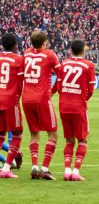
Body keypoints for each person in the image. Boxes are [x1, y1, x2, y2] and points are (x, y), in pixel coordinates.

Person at [22, 31, 60, 180]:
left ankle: (34, 166)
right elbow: (61, 73)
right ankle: (44, 168)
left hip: (26, 99)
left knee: (34, 133)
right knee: (53, 134)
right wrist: (53, 91)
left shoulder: (26, 53)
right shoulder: (50, 54)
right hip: (42, 98)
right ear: (45, 43)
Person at [57, 39, 96, 181]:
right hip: (78, 105)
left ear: (71, 50)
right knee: (83, 139)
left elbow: (59, 87)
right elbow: (91, 89)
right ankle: (76, 171)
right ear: (83, 51)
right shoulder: (89, 65)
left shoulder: (64, 63)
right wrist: (83, 99)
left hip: (64, 105)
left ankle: (67, 170)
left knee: (69, 140)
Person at [0, 33, 24, 178]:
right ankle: (6, 168)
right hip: (11, 100)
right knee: (17, 134)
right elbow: (20, 84)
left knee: (1, 134)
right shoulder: (18, 60)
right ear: (15, 45)